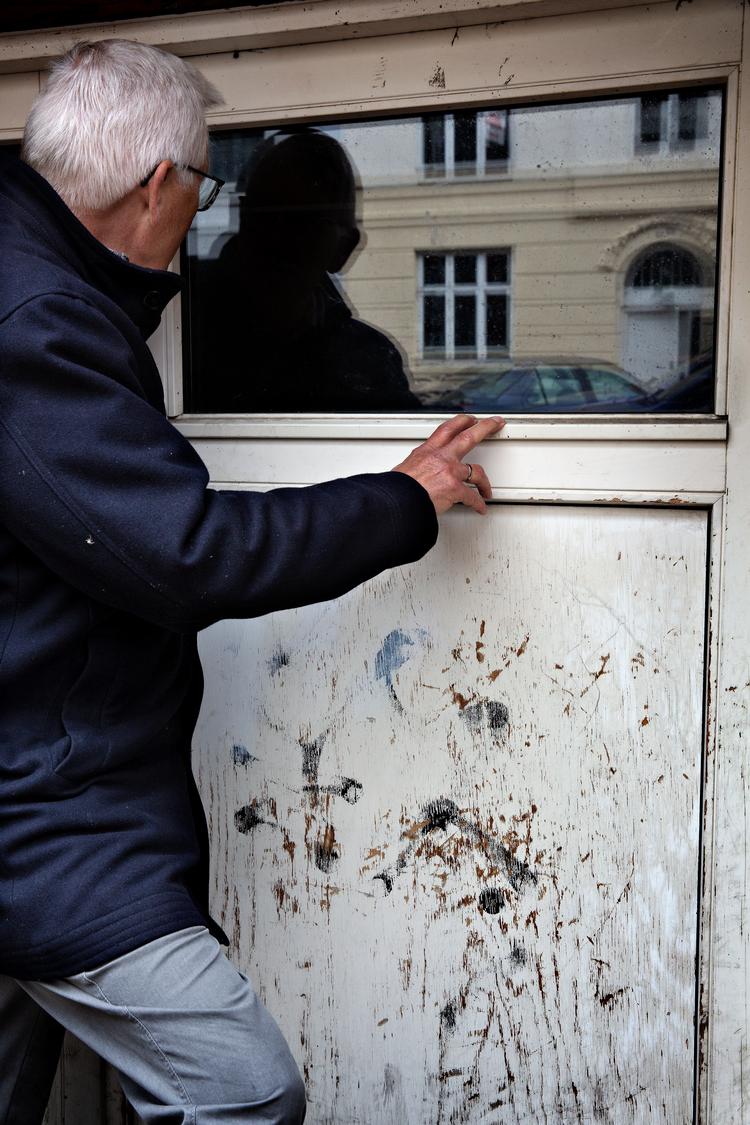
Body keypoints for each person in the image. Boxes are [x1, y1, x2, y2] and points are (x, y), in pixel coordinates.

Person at [0, 39, 502, 1125]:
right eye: (218, 190)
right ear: (162, 188)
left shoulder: (38, 280)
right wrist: (406, 497)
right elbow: (181, 548)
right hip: (45, 821)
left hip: (42, 779)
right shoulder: (34, 323)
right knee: (244, 1089)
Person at [195, 129, 421, 412]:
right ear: (243, 216)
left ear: (344, 247)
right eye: (266, 215)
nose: (278, 238)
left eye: (303, 223)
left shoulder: (367, 361)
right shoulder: (185, 327)